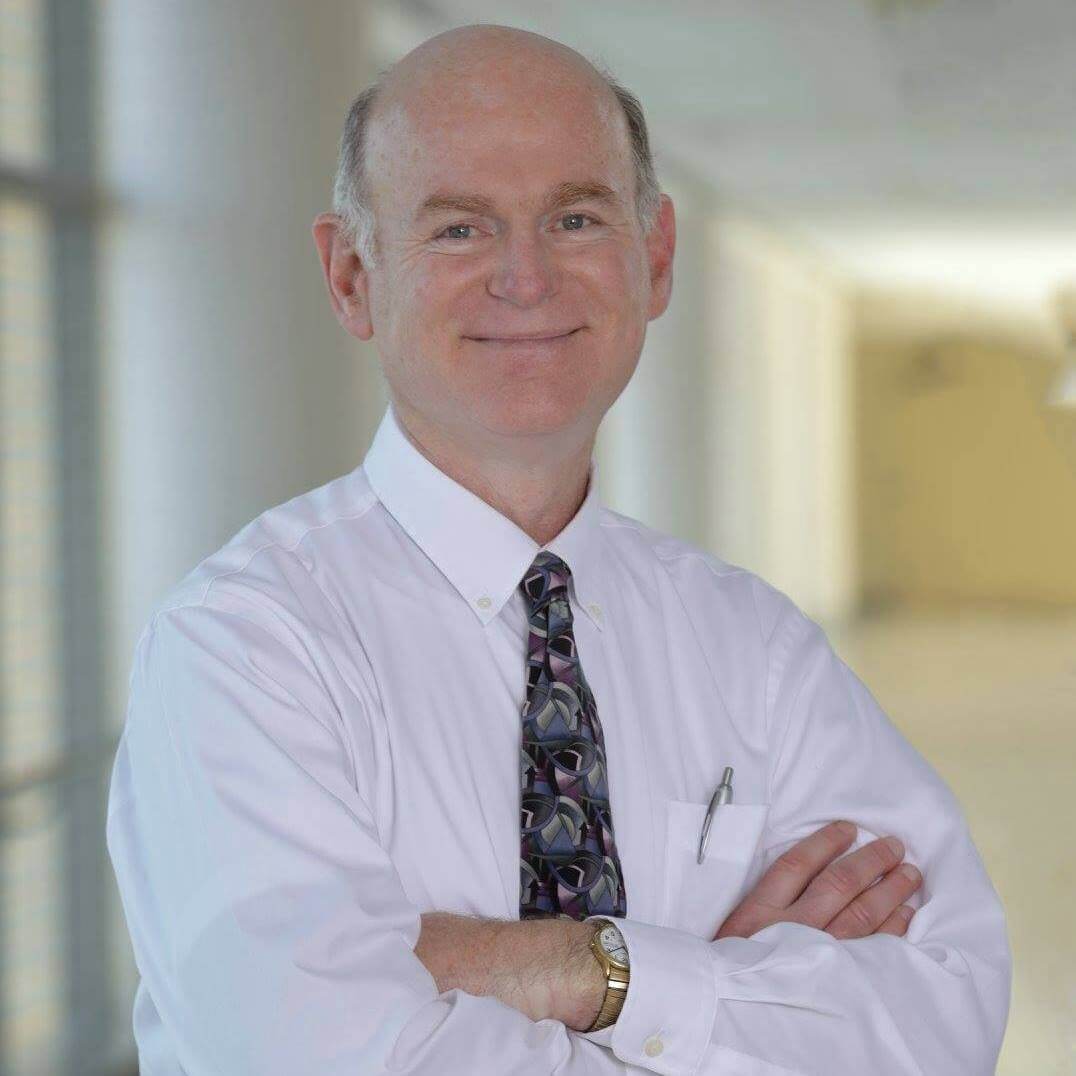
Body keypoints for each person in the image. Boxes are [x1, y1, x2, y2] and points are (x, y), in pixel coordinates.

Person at [105, 22, 1011, 1076]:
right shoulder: (244, 645)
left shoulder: (754, 647)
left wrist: (579, 967)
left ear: (654, 257)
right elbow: (310, 1054)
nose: (525, 278)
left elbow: (942, 1012)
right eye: (458, 230)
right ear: (351, 275)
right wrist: (706, 984)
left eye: (575, 218)